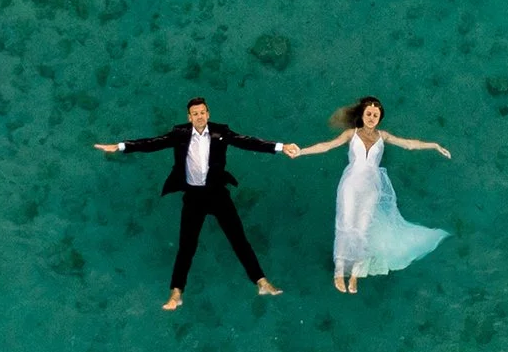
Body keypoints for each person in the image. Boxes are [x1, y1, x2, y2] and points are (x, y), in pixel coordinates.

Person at [94, 98, 293, 311]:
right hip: (193, 197)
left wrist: (281, 147)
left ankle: (261, 282)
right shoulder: (180, 134)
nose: (199, 116)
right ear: (189, 118)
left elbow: (248, 142)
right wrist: (122, 146)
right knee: (186, 247)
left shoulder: (221, 132)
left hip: (217, 195)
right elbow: (153, 143)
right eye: (194, 114)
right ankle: (176, 292)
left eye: (202, 112)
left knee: (239, 240)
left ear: (208, 114)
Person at [284, 96, 451, 293]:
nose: (372, 117)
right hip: (351, 183)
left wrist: (434, 145)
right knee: (345, 224)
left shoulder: (383, 136)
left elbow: (409, 144)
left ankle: (355, 274)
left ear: (380, 119)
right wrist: (301, 151)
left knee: (362, 229)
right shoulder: (350, 134)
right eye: (369, 114)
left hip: (372, 186)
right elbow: (326, 146)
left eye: (376, 115)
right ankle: (339, 272)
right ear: (362, 115)